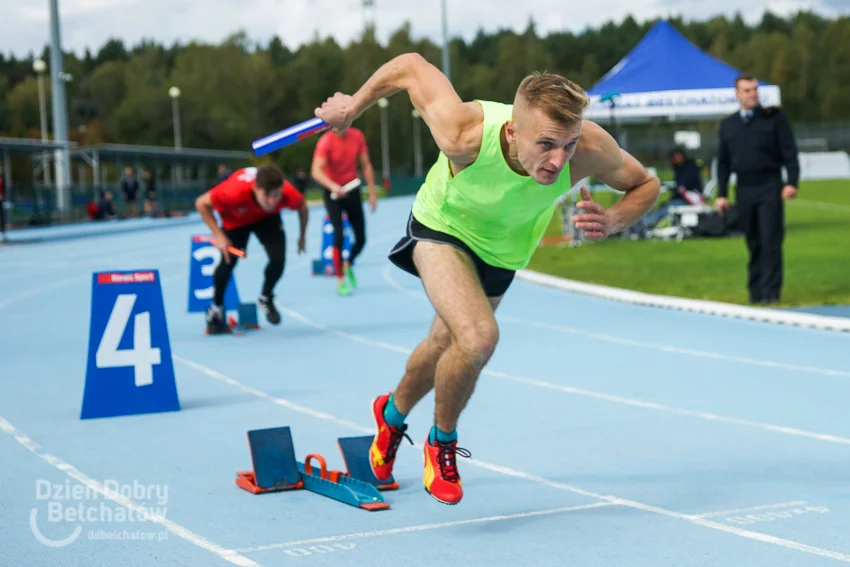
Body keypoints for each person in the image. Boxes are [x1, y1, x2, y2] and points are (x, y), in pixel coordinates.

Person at [314, 53, 660, 505]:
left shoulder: (591, 146)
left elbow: (645, 184)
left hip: (502, 252)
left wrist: (614, 220)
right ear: (514, 132)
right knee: (478, 338)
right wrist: (355, 104)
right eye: (547, 144)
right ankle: (442, 442)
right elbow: (412, 66)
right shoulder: (465, 134)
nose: (559, 161)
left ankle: (391, 413)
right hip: (443, 230)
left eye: (569, 145)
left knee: (444, 345)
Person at [194, 164, 308, 334]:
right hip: (236, 220)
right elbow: (201, 203)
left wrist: (302, 236)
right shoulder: (231, 192)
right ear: (255, 189)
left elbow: (302, 207)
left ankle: (265, 297)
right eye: (267, 196)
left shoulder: (287, 193)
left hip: (266, 218)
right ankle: (216, 307)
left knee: (278, 259)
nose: (272, 201)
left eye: (276, 195)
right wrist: (218, 234)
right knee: (227, 262)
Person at [715, 74, 799, 305]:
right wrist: (721, 194)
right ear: (737, 95)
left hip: (770, 185)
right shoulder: (728, 125)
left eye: (755, 89)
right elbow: (723, 163)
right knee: (752, 240)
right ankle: (755, 292)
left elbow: (789, 152)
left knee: (770, 239)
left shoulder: (774, 118)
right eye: (747, 90)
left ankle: (770, 293)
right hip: (744, 188)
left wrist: (791, 182)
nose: (752, 94)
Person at [310, 126, 377, 296]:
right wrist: (333, 186)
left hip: (352, 188)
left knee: (361, 239)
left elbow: (366, 165)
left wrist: (372, 193)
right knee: (338, 236)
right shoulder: (325, 141)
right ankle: (340, 279)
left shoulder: (357, 136)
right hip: (332, 191)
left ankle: (348, 263)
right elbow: (316, 171)